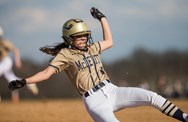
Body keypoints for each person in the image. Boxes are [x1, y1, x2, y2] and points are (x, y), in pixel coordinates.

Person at [8, 7, 188, 122]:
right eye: (80, 36)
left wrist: (103, 18)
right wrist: (25, 82)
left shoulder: (92, 48)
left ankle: (185, 117)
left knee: (152, 96)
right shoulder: (65, 54)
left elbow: (109, 41)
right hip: (94, 101)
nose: (84, 38)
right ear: (69, 39)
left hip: (113, 90)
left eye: (85, 34)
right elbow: (46, 73)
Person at [0, 26, 39, 102]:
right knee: (12, 79)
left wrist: (17, 60)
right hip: (2, 63)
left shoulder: (4, 42)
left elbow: (15, 50)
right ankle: (28, 83)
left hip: (6, 62)